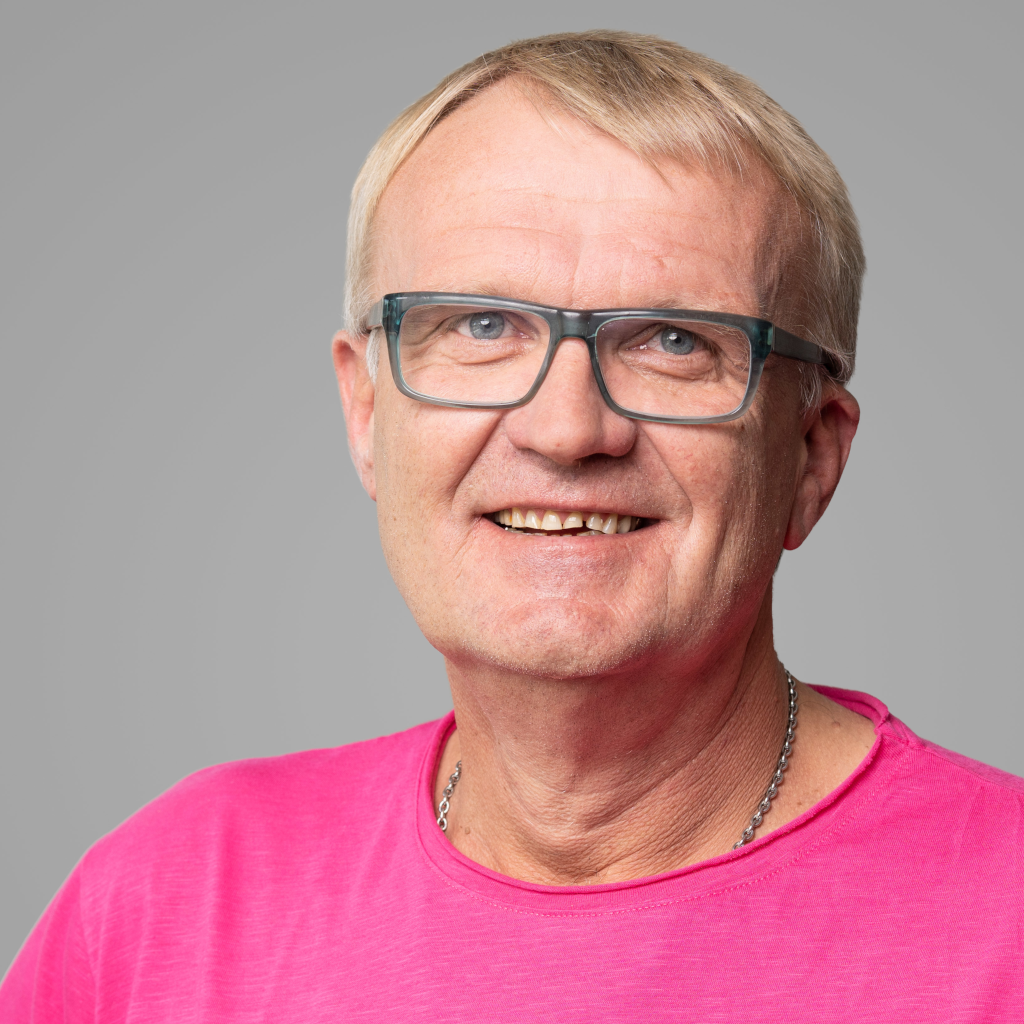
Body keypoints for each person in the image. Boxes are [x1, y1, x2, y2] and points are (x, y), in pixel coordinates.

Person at [2, 30, 1022, 1022]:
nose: (567, 429)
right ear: (365, 414)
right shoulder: (169, 901)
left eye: (674, 342)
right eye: (480, 326)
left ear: (811, 455)